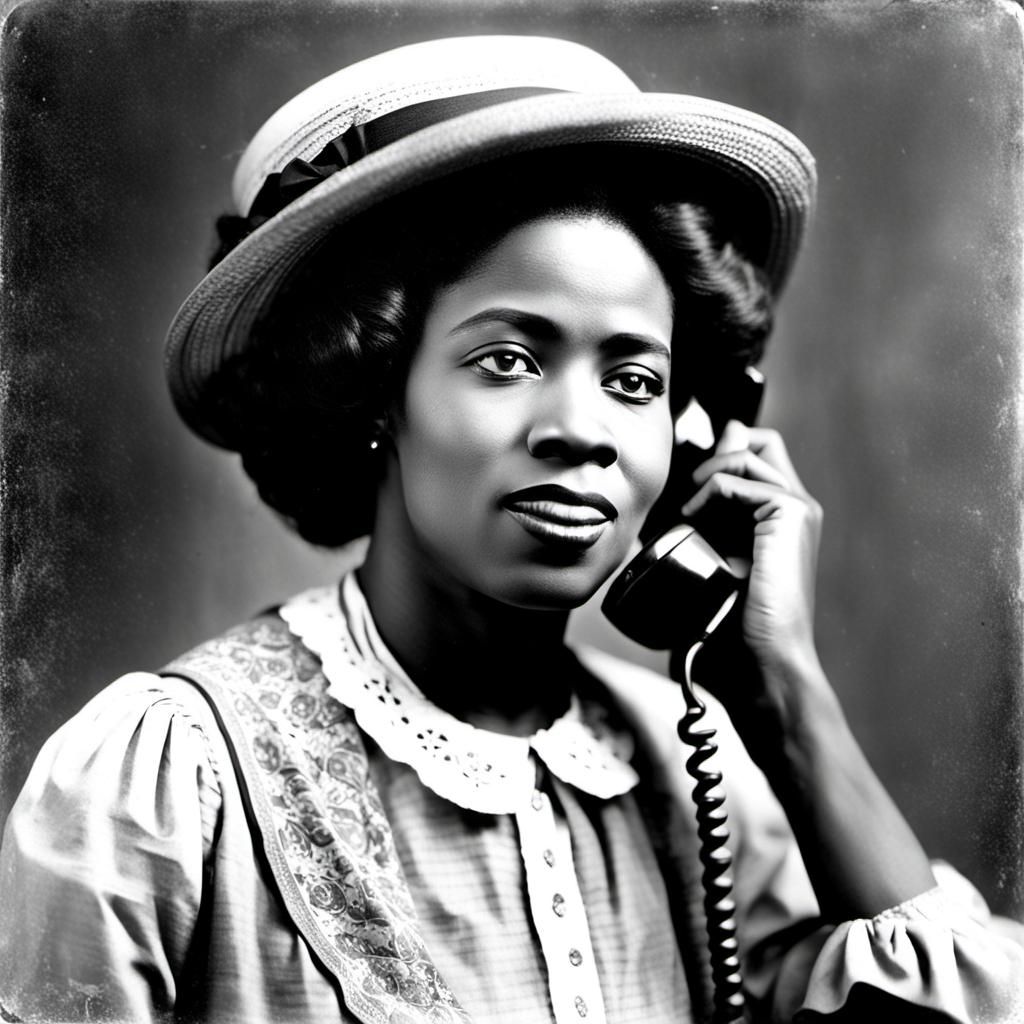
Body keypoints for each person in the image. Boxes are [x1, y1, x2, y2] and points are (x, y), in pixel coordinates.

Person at [0, 34, 1021, 1024]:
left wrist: (788, 699)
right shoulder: (164, 781)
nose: (581, 432)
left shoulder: (701, 776)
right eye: (506, 360)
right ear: (371, 393)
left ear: (693, 432)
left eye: (632, 381)